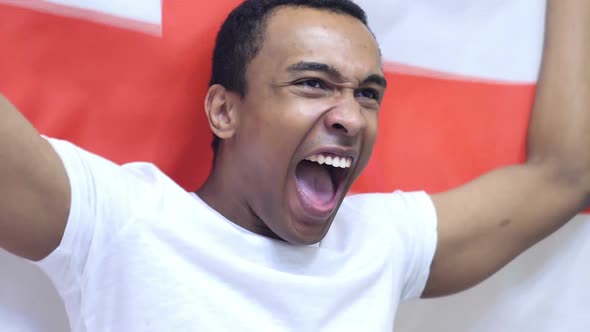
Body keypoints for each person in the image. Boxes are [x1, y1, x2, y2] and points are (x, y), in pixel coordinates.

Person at [0, 0, 588, 330]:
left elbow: (565, 173)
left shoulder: (380, 244)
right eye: (313, 83)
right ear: (224, 111)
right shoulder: (120, 222)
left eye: (368, 94)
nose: (352, 117)